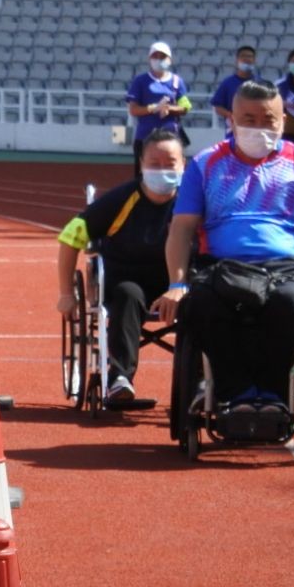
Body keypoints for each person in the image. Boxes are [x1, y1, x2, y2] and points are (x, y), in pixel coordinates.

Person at [160, 80, 294, 417]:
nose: (258, 128)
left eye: (268, 120)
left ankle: (273, 395)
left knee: (288, 303)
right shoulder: (204, 165)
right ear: (231, 120)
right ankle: (238, 394)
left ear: (283, 122)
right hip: (221, 265)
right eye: (248, 119)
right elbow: (181, 229)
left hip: (287, 268)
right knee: (200, 304)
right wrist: (177, 284)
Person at [56, 130, 187, 405]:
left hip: (178, 284)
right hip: (128, 283)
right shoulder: (122, 199)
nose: (162, 170)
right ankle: (119, 379)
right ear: (141, 164)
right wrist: (66, 294)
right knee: (127, 294)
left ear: (183, 165)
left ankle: (201, 384)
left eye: (170, 163)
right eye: (154, 163)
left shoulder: (192, 202)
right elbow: (71, 236)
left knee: (208, 298)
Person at [125, 41, 191, 176]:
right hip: (145, 136)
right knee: (143, 175)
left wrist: (169, 108)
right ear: (150, 59)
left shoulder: (176, 82)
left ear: (170, 60)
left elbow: (185, 106)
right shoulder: (140, 81)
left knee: (173, 173)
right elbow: (133, 109)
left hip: (171, 136)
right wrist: (153, 108)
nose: (159, 60)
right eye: (155, 56)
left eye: (163, 57)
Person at [211, 44, 258, 130]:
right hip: (233, 129)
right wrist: (230, 115)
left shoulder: (260, 83)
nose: (247, 59)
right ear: (237, 60)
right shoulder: (228, 83)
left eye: (250, 57)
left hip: (255, 128)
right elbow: (218, 106)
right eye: (243, 56)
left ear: (254, 60)